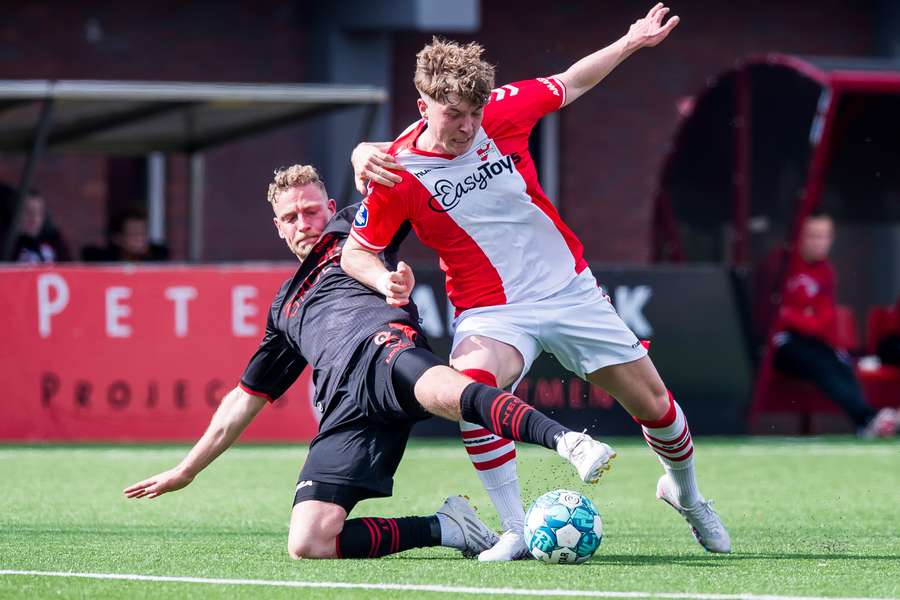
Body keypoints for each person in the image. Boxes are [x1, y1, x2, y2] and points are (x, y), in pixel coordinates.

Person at [343, 3, 730, 560]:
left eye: (474, 113)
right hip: (491, 310)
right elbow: (357, 251)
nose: (468, 126)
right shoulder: (393, 170)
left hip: (568, 288)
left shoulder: (503, 111)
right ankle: (516, 530)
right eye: (454, 114)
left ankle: (686, 495)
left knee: (655, 405)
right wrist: (384, 283)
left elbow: (572, 81)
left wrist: (629, 42)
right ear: (423, 104)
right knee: (472, 390)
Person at [124, 164, 615, 560]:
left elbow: (408, 166)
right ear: (277, 226)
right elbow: (243, 399)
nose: (304, 224)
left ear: (331, 209)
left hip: (386, 353)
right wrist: (187, 470)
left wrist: (363, 153)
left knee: (455, 393)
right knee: (309, 542)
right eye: (291, 218)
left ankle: (567, 441)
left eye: (311, 211)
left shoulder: (352, 231)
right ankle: (447, 528)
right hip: (345, 413)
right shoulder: (284, 309)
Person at [771, 213, 896, 438]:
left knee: (840, 362)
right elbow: (775, 317)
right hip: (782, 344)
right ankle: (867, 418)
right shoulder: (781, 264)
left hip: (810, 340)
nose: (820, 242)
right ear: (799, 237)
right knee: (817, 361)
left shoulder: (826, 272)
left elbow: (822, 322)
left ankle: (865, 421)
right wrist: (801, 318)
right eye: (813, 236)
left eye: (825, 236)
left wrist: (795, 316)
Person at [82, 207, 168, 262]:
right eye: (134, 234)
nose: (140, 239)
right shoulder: (106, 261)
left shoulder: (158, 258)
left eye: (144, 233)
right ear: (117, 239)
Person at [10, 190, 71, 263]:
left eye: (39, 213)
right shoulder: (8, 244)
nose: (34, 219)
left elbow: (70, 268)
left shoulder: (55, 241)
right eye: (28, 212)